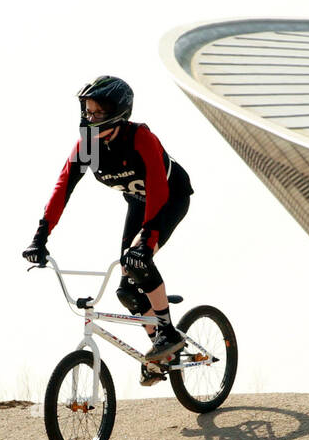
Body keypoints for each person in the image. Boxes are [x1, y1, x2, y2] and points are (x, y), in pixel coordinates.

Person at [22, 76, 194, 386]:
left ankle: (168, 333)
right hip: (138, 203)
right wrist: (40, 237)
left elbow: (157, 188)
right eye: (87, 111)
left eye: (97, 112)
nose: (90, 117)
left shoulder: (140, 138)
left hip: (168, 198)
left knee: (138, 262)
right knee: (126, 291)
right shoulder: (89, 147)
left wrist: (147, 241)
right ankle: (162, 350)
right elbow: (63, 189)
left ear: (117, 111)